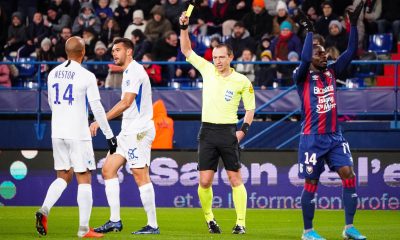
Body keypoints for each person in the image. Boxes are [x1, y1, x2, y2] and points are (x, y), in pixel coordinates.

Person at [294, 4, 366, 240]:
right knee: (311, 182)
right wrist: (310, 32)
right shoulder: (301, 76)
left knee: (348, 173)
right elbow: (305, 57)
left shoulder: (333, 72)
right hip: (312, 138)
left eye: (325, 53)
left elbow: (351, 50)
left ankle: (349, 228)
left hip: (335, 136)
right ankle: (308, 232)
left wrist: (353, 25)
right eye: (319, 53)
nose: (324, 55)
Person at [179, 11, 255, 234]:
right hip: (208, 131)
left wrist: (243, 131)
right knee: (204, 181)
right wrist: (184, 27)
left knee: (235, 178)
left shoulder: (242, 80)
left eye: (221, 57)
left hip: (228, 132)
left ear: (230, 57)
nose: (217, 61)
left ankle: (240, 223)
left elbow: (250, 110)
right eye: (215, 57)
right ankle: (210, 219)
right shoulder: (207, 70)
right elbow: (186, 50)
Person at [35, 36, 117, 238]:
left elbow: (53, 103)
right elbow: (96, 107)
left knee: (63, 175)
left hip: (58, 132)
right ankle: (83, 229)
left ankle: (44, 209)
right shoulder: (86, 75)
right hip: (78, 134)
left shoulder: (52, 73)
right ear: (83, 53)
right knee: (84, 177)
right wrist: (109, 134)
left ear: (65, 51)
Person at [90, 38, 159, 235]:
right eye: (113, 50)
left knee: (140, 175)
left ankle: (153, 225)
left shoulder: (134, 71)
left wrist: (100, 120)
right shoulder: (129, 71)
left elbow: (127, 102)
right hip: (127, 131)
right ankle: (114, 221)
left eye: (118, 50)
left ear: (129, 52)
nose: (114, 53)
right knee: (108, 169)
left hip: (139, 131)